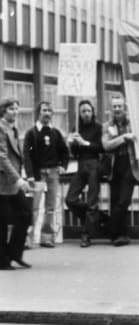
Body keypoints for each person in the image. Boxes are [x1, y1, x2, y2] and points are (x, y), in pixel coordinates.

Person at [102, 95, 139, 247]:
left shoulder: (133, 125)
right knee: (115, 201)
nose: (117, 109)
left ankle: (109, 228)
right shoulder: (106, 126)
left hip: (129, 166)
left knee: (123, 200)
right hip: (114, 166)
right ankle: (119, 235)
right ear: (111, 109)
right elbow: (106, 145)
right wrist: (124, 138)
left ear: (124, 108)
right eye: (114, 106)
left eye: (119, 106)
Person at [24, 101, 69, 248]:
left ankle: (47, 237)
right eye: (44, 110)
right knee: (34, 207)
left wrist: (63, 165)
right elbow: (27, 155)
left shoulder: (56, 133)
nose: (47, 113)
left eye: (50, 111)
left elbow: (64, 151)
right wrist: (30, 174)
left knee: (51, 207)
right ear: (38, 113)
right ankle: (28, 239)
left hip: (53, 173)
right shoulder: (32, 133)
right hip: (37, 174)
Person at [65, 100, 104, 248]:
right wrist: (71, 144)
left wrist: (84, 142)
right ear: (79, 114)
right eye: (83, 111)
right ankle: (97, 216)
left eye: (88, 110)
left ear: (93, 112)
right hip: (81, 165)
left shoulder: (99, 128)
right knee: (70, 199)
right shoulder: (77, 127)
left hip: (94, 165)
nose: (86, 114)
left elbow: (101, 148)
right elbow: (75, 153)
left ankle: (86, 235)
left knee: (92, 200)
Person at [0, 98, 33, 270]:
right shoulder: (1, 128)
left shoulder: (13, 128)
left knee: (25, 214)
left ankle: (14, 253)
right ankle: (3, 260)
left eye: (16, 109)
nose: (15, 112)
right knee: (3, 222)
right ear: (3, 110)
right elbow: (2, 157)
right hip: (3, 182)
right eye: (11, 109)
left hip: (12, 182)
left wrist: (22, 176)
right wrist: (18, 179)